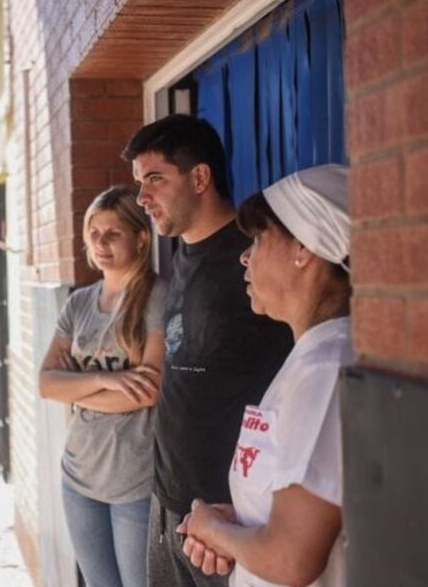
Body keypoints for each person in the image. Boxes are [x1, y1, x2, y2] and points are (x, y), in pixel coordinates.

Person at [123, 115, 294, 587]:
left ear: (200, 177)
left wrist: (248, 508)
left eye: (154, 179)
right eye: (139, 183)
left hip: (231, 518)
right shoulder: (182, 254)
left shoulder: (256, 254)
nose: (141, 198)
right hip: (170, 505)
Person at [178, 164, 352, 587]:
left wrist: (213, 529)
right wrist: (239, 525)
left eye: (258, 239)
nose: (244, 254)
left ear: (304, 250)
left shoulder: (326, 368)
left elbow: (292, 559)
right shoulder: (309, 356)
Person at [38, 185, 168, 587]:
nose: (100, 243)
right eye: (94, 234)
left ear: (140, 237)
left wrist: (74, 385)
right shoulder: (79, 303)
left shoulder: (157, 296)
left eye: (112, 233)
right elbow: (46, 384)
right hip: (78, 476)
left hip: (134, 480)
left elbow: (148, 392)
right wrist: (103, 379)